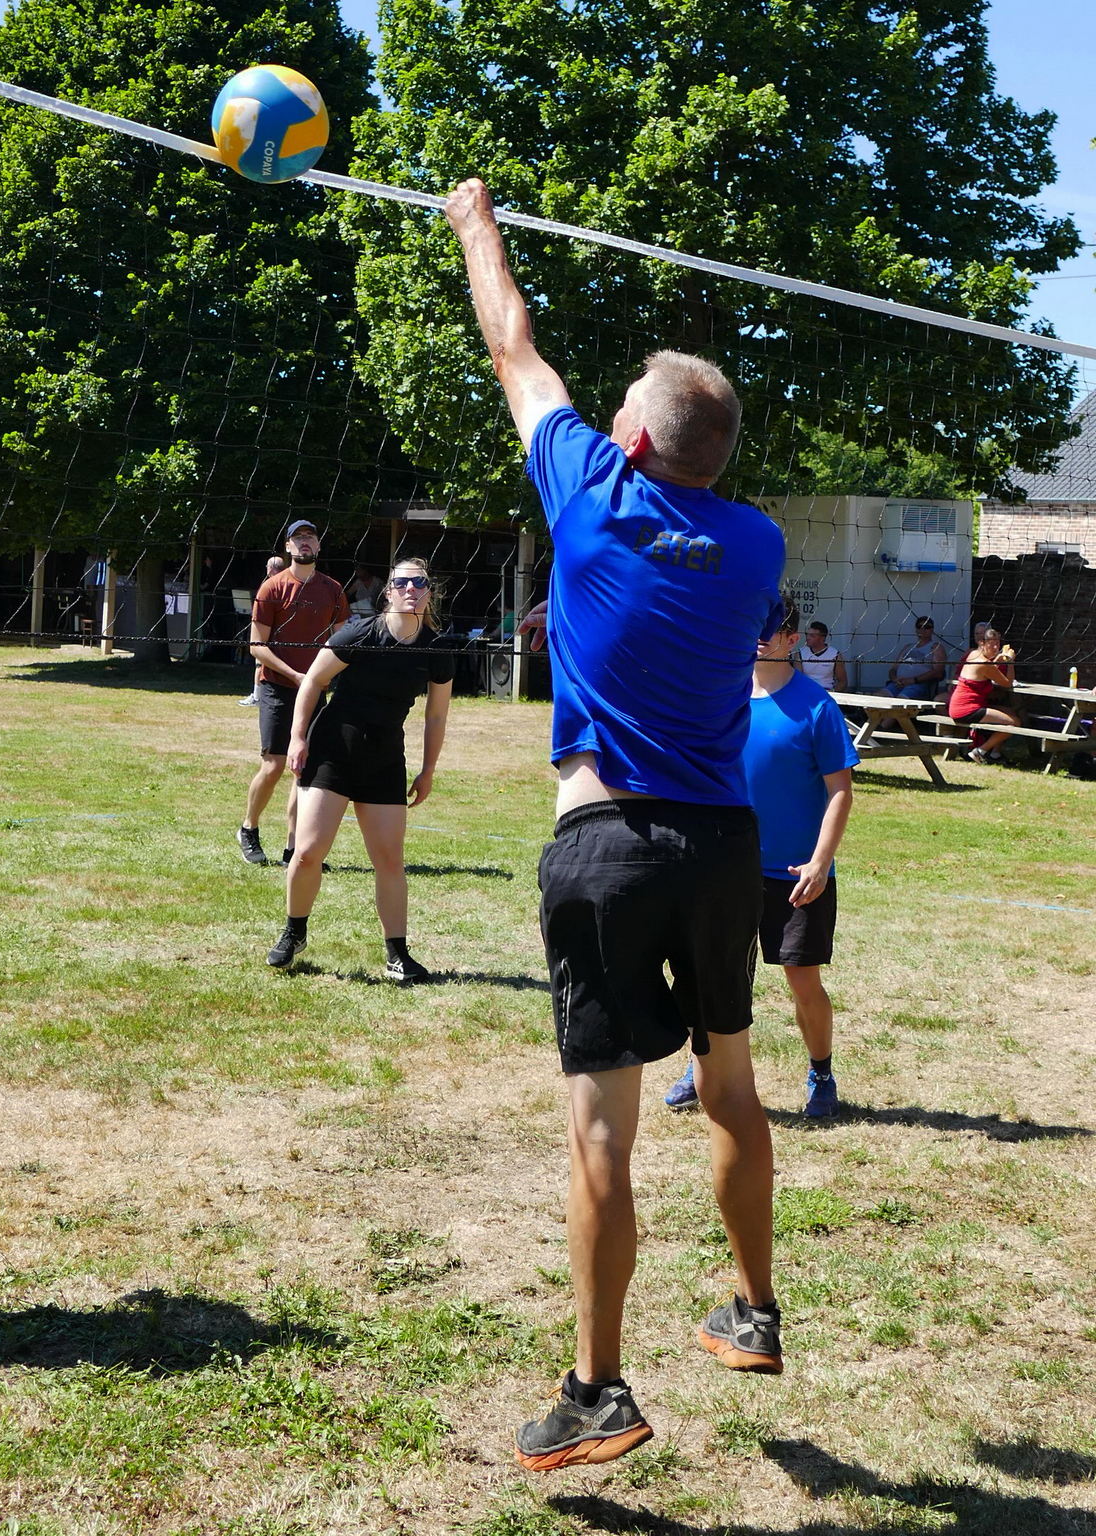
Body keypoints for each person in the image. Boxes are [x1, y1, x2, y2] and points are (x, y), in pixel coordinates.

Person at [446, 177, 787, 1471]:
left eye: (626, 404)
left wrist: (475, 224)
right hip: (724, 849)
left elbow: (511, 342)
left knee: (603, 1130)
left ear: (632, 439)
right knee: (732, 1085)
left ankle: (598, 1392)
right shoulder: (755, 545)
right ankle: (753, 1308)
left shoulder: (590, 492)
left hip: (608, 850)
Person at [665, 606, 857, 1117]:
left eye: (769, 631)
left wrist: (819, 863)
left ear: (791, 640)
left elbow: (841, 791)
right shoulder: (720, 697)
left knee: (803, 981)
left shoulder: (816, 707)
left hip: (795, 874)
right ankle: (703, 1067)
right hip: (726, 866)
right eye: (750, 625)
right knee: (715, 977)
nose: (756, 638)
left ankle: (821, 1073)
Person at [265, 557, 455, 981]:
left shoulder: (437, 648)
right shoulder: (361, 632)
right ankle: (294, 933)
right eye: (401, 583)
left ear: (429, 591)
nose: (410, 589)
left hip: (384, 758)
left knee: (389, 860)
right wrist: (297, 738)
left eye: (419, 582)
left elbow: (437, 716)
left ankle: (397, 955)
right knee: (308, 852)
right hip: (333, 749)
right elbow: (313, 681)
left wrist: (428, 770)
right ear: (388, 591)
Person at [236, 522, 349, 867]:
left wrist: (323, 676)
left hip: (313, 690)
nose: (305, 543)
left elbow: (341, 640)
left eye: (310, 537)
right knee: (274, 764)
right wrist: (296, 675)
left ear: (319, 546)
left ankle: (293, 848)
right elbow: (257, 645)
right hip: (277, 686)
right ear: (288, 547)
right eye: (298, 538)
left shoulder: (332, 589)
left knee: (305, 769)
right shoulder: (272, 587)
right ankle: (248, 828)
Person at [948, 627, 1019, 764]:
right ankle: (980, 752)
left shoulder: (973, 654)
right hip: (967, 709)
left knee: (1011, 712)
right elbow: (1007, 683)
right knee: (1014, 723)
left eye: (997, 643)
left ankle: (995, 754)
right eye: (991, 644)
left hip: (959, 706)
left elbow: (986, 673)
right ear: (981, 643)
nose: (996, 647)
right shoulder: (984, 664)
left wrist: (996, 660)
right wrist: (1010, 662)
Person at [239, 555, 287, 706]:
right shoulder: (288, 583)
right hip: (282, 633)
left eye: (267, 566)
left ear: (270, 568)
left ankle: (257, 697)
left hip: (268, 631)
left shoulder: (269, 586)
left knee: (259, 663)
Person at [880, 617, 946, 699]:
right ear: (916, 629)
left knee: (901, 701)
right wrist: (894, 679)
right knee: (879, 697)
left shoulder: (936, 647)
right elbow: (893, 668)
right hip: (898, 684)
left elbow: (938, 672)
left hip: (918, 684)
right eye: (919, 626)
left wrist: (913, 680)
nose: (923, 629)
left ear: (932, 630)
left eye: (927, 627)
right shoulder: (908, 647)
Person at [797, 620, 847, 692]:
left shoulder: (835, 655)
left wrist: (832, 693)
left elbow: (842, 682)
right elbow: (797, 679)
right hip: (806, 692)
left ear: (822, 638)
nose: (808, 638)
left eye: (812, 636)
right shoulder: (800, 653)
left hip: (827, 691)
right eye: (807, 634)